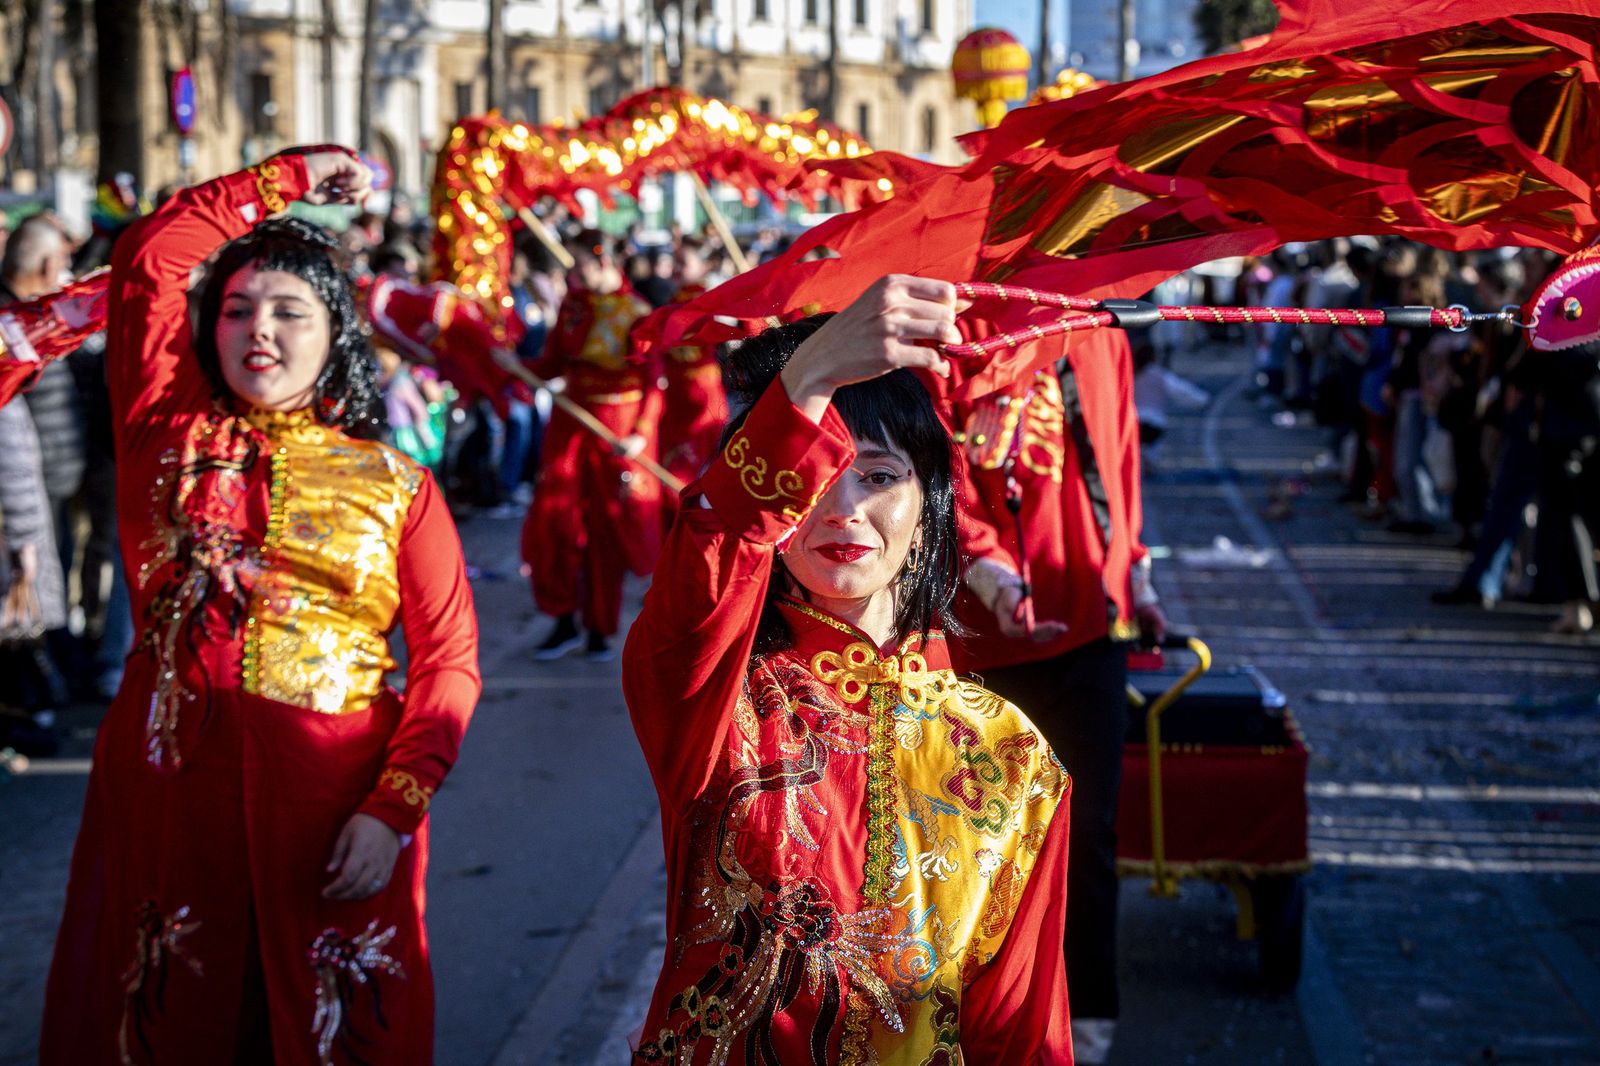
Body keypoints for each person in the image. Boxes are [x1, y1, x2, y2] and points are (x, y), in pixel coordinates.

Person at [41, 148, 481, 1063]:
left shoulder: (396, 484)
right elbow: (154, 256)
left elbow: (447, 664)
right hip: (168, 796)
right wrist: (283, 180)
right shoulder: (162, 428)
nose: (260, 331)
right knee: (174, 1024)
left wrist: (391, 810)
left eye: (290, 311)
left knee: (323, 1031)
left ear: (337, 336)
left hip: (334, 807)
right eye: (237, 309)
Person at [623, 277, 1073, 1064]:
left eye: (878, 474)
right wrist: (805, 382)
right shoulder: (716, 694)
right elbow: (710, 552)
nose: (843, 509)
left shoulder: (1010, 754)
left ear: (931, 507)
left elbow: (1023, 1025)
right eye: (819, 477)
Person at [952, 328, 1165, 1066]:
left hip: (1089, 622)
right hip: (983, 639)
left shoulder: (1100, 336)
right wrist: (995, 578)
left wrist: (1136, 571)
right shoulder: (953, 339)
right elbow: (942, 482)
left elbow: (1121, 461)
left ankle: (1085, 1002)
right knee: (982, 841)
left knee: (1087, 833)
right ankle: (983, 1007)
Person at [521, 230, 661, 662]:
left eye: (580, 264)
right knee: (554, 519)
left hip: (617, 428)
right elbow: (551, 364)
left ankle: (600, 628)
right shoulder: (572, 305)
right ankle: (562, 619)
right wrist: (511, 364)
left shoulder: (637, 312)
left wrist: (640, 432)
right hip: (571, 421)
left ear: (603, 262)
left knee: (608, 528)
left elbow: (654, 381)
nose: (574, 272)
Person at [656, 237, 729, 494]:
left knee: (689, 464)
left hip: (698, 392)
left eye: (682, 262)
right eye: (674, 261)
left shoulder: (709, 299)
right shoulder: (678, 298)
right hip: (676, 391)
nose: (675, 268)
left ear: (705, 266)